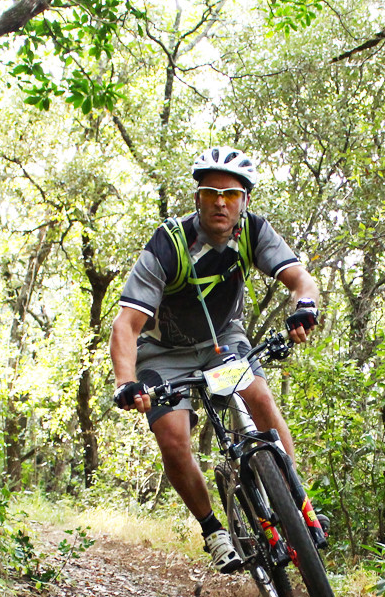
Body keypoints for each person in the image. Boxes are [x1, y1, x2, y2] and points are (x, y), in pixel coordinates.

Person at [110, 146, 322, 573]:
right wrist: (126, 381)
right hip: (163, 351)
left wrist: (305, 307)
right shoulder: (168, 244)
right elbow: (126, 323)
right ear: (197, 199)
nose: (220, 202)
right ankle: (213, 530)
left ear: (245, 200)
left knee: (258, 395)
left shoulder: (254, 233)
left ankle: (297, 502)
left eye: (230, 194)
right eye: (210, 193)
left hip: (221, 340)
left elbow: (300, 278)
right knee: (172, 435)